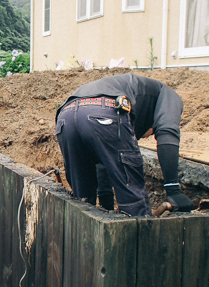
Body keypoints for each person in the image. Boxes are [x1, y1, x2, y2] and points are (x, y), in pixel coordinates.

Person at [55, 73, 193, 216]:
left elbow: (104, 161)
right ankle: (137, 230)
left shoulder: (131, 91)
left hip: (66, 116)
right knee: (133, 202)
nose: (149, 136)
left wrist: (106, 206)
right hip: (106, 110)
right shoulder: (169, 95)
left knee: (82, 202)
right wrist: (173, 190)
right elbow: (167, 133)